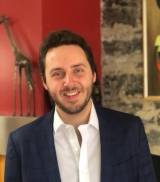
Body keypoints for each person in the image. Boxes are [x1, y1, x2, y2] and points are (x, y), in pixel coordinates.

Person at [4, 30, 157, 182]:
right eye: (58, 73)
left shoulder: (131, 130)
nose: (69, 83)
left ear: (93, 74)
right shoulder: (20, 143)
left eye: (78, 70)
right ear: (44, 82)